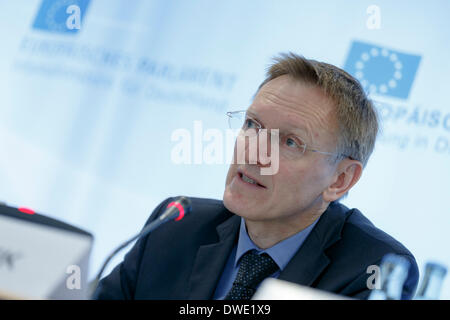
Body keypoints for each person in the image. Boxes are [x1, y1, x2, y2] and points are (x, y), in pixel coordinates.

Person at [94, 53, 418, 300]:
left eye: (290, 142)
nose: (254, 151)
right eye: (252, 125)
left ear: (340, 180)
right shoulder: (176, 226)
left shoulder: (373, 269)